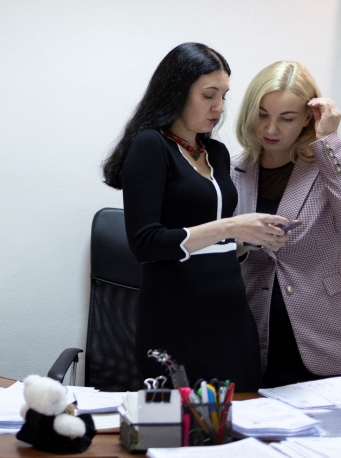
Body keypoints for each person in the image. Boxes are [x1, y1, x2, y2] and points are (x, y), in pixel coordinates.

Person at [102, 43, 290, 392]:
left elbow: (216, 246)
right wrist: (233, 225)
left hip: (231, 315)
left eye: (223, 95)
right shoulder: (150, 146)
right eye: (208, 95)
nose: (219, 107)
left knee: (240, 426)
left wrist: (249, 240)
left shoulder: (216, 152)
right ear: (177, 91)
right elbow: (146, 243)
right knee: (179, 433)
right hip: (177, 318)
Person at [232, 61, 341, 388]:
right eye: (263, 114)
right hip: (260, 340)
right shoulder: (231, 172)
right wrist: (242, 242)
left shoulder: (337, 159)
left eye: (287, 118)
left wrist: (329, 141)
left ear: (309, 117)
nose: (270, 129)